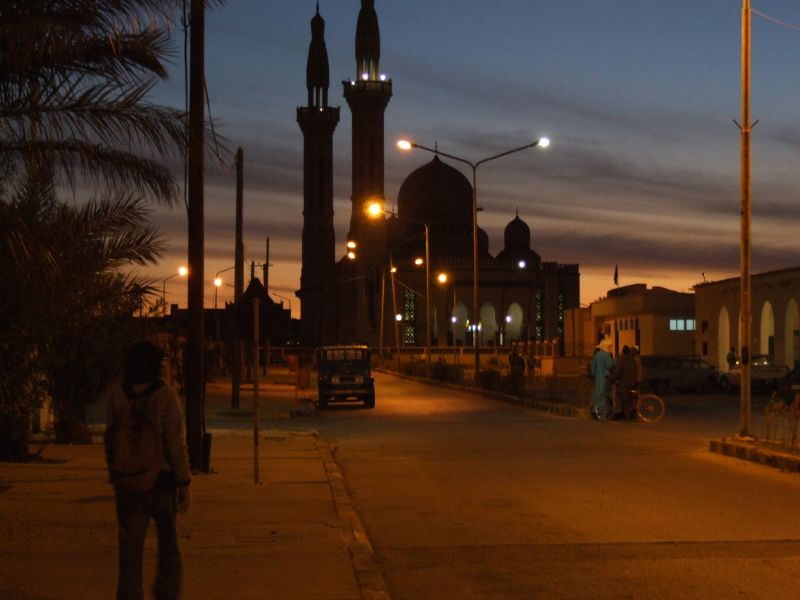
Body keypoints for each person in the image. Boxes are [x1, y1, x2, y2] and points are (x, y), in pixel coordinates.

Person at [104, 341, 192, 600]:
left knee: (130, 551)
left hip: (128, 483)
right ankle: (166, 594)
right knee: (169, 547)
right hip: (162, 483)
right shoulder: (165, 396)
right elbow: (175, 444)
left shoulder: (116, 394)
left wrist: (116, 473)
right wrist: (184, 481)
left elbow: (110, 439)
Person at [609, 345, 639, 420]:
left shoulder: (622, 359)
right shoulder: (633, 359)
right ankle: (630, 414)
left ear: (623, 352)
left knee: (624, 399)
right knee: (629, 399)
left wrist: (610, 377)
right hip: (633, 382)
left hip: (625, 383)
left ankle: (626, 416)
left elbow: (617, 371)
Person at [590, 339, 614, 420]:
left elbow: (593, 367)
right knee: (604, 394)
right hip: (605, 377)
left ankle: (594, 409)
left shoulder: (597, 355)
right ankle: (602, 413)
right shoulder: (607, 355)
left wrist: (594, 375)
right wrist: (615, 362)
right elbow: (610, 365)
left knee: (597, 392)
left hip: (598, 377)